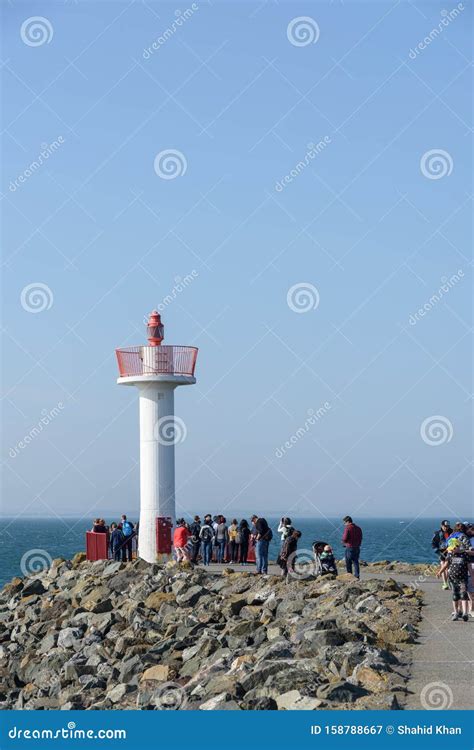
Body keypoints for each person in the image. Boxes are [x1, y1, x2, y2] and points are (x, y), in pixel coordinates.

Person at [436, 538, 470, 622]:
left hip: (463, 579)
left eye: (453, 548)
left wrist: (472, 577)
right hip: (453, 579)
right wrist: (440, 572)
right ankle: (456, 613)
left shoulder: (465, 555)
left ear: (457, 547)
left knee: (463, 595)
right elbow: (445, 565)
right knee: (455, 596)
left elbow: (469, 568)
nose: (451, 550)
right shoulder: (450, 555)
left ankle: (465, 613)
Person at [431, 520, 453, 589]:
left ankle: (448, 582)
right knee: (443, 566)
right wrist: (437, 551)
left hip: (450, 551)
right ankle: (445, 583)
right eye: (445, 526)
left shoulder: (452, 532)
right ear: (441, 526)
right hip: (441, 552)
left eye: (448, 526)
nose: (446, 528)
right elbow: (433, 543)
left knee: (448, 568)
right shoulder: (437, 533)